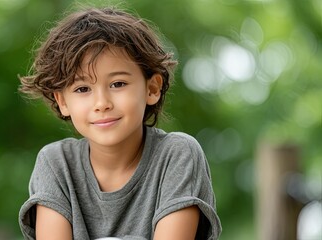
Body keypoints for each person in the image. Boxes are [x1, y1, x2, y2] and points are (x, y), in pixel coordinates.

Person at [17, 7, 222, 240]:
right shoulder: (55, 164)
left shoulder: (177, 155)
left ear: (152, 88)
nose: (102, 103)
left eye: (118, 84)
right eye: (83, 89)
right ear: (63, 101)